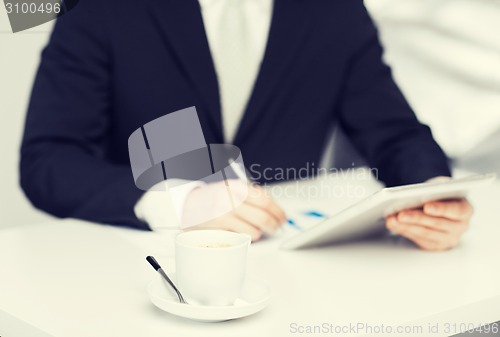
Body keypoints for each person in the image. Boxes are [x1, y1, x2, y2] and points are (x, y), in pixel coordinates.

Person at [20, 0, 472, 251]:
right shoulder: (103, 9)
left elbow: (395, 133)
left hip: (286, 267)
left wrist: (431, 194)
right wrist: (179, 203)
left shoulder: (336, 10)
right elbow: (48, 161)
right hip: (134, 262)